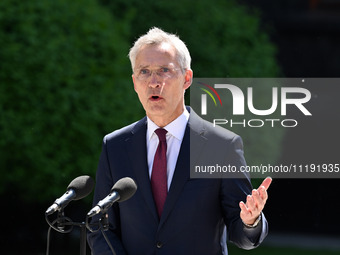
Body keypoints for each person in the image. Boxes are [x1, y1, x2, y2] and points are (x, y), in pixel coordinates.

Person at [87, 27, 272, 255]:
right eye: (144, 72)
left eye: (164, 70)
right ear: (135, 83)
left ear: (186, 78)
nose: (154, 82)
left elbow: (241, 232)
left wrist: (250, 222)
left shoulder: (223, 146)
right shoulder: (114, 146)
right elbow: (100, 228)